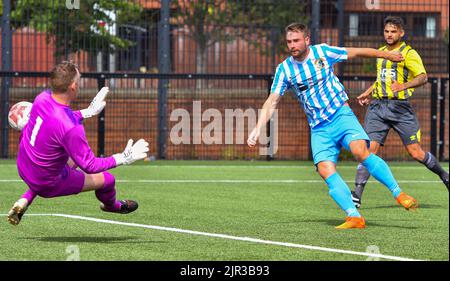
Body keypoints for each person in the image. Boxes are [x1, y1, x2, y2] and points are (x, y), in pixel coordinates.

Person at [247, 23, 417, 229]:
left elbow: (356, 52)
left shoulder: (323, 52)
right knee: (325, 170)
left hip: (340, 114)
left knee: (360, 151)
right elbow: (272, 100)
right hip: (319, 128)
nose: (292, 45)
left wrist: (387, 56)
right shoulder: (284, 70)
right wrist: (257, 128)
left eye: (296, 40)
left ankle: (398, 193)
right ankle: (354, 216)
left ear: (307, 40)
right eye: (289, 41)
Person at [7, 61, 149, 225]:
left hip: (25, 167)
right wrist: (123, 157)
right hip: (48, 183)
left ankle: (26, 197)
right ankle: (113, 206)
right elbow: (90, 165)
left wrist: (87, 112)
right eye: (79, 81)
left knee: (62, 152)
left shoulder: (42, 98)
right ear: (73, 86)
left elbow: (56, 118)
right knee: (108, 180)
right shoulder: (71, 128)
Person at [351, 16, 449, 209]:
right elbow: (381, 79)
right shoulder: (380, 52)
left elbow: (423, 77)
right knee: (368, 151)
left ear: (401, 33)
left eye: (393, 31)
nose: (389, 35)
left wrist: (403, 85)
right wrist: (368, 93)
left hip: (400, 108)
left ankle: (444, 175)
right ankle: (356, 197)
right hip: (378, 107)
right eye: (387, 31)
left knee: (416, 153)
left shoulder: (409, 53)